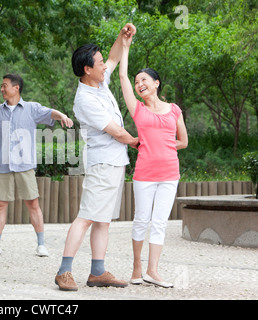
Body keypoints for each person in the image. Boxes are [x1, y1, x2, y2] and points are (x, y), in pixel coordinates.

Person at [54, 24, 139, 291]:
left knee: (103, 220)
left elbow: (114, 57)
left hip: (116, 162)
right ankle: (64, 271)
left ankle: (97, 272)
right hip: (102, 164)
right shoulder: (84, 99)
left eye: (103, 62)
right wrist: (139, 141)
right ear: (87, 70)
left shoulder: (101, 82)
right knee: (87, 216)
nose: (105, 66)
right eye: (99, 63)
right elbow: (115, 131)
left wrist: (122, 37)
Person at [119, 25, 188, 287]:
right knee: (141, 220)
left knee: (160, 223)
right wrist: (125, 47)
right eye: (137, 82)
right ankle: (136, 269)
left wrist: (164, 146)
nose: (139, 84)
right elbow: (123, 77)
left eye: (144, 80)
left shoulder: (173, 110)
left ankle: (153, 271)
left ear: (156, 83)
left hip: (170, 174)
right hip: (145, 174)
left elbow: (183, 141)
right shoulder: (138, 110)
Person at [0, 74, 73, 257]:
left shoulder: (31, 108)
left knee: (33, 204)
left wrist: (62, 116)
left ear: (16, 88)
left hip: (25, 164)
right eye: (1, 86)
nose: (2, 89)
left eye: (5, 86)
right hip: (3, 165)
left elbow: (49, 112)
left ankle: (41, 244)